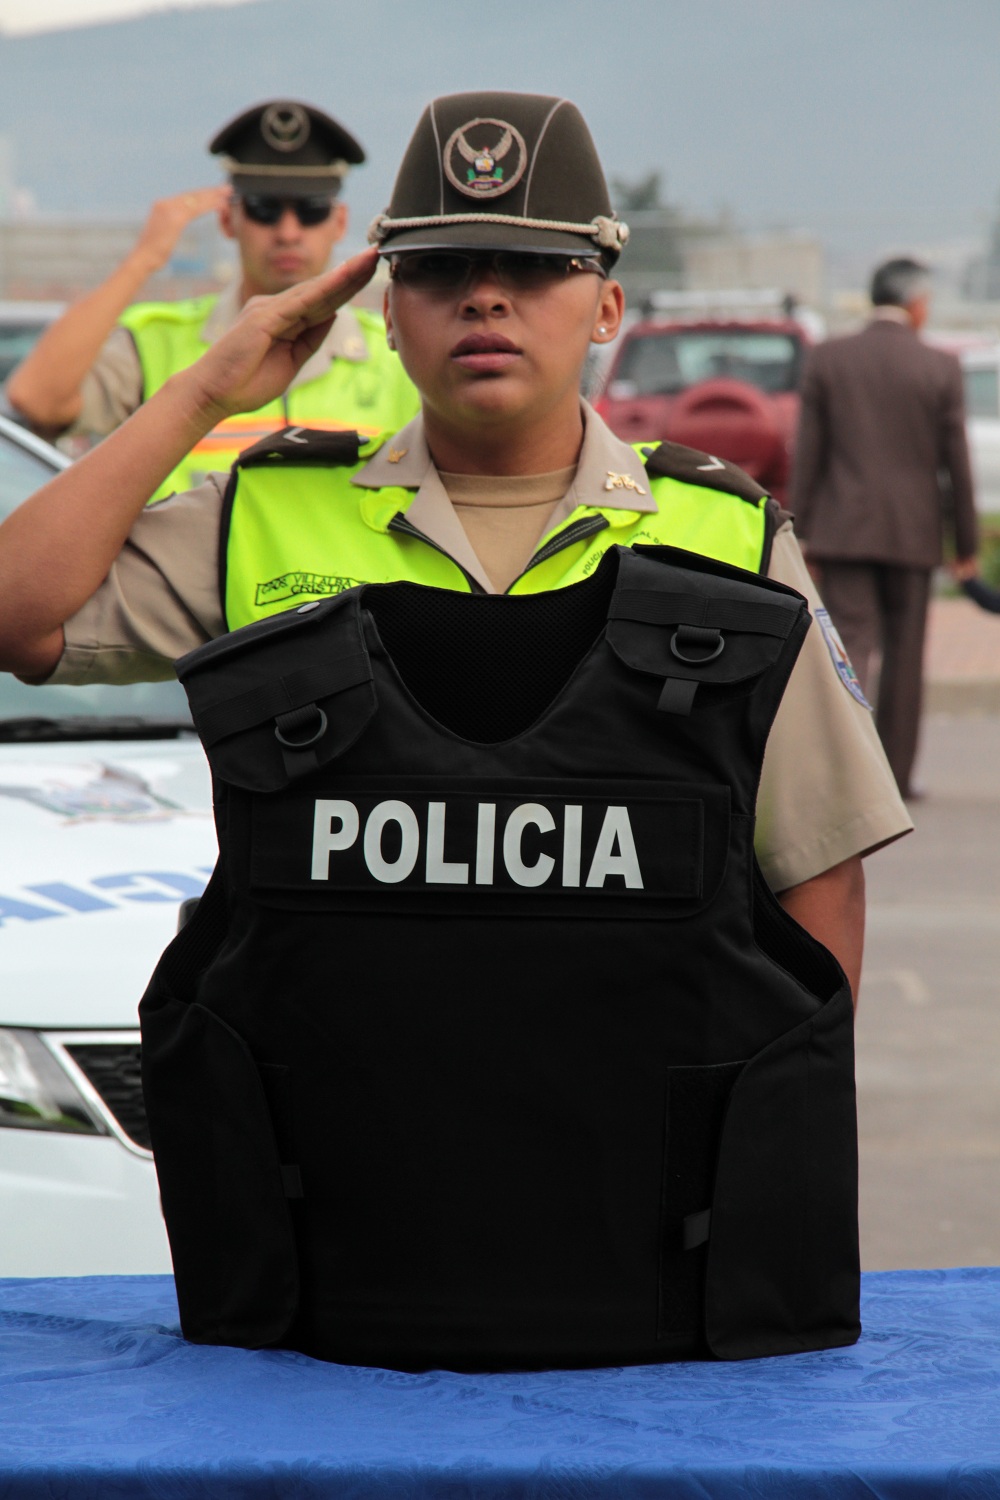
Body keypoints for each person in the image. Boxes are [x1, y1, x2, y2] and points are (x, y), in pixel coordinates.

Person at [0, 90, 911, 1002]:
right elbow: (17, 616)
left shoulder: (726, 530)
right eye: (439, 269)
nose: (484, 294)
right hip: (337, 1126)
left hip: (631, 1124)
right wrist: (201, 396)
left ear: (607, 308)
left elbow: (817, 863)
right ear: (388, 314)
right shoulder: (265, 514)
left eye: (532, 264)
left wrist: (779, 1122)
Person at [4, 99, 418, 498]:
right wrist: (143, 260)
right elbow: (36, 399)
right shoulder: (159, 343)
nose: (288, 232)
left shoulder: (396, 353)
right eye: (264, 209)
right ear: (226, 219)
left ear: (339, 222)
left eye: (310, 210)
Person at [789, 256, 979, 799]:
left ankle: (845, 773)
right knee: (905, 655)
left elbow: (809, 454)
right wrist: (964, 544)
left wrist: (800, 532)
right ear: (916, 303)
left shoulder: (829, 359)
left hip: (843, 530)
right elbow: (955, 465)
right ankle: (894, 780)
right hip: (913, 534)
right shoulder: (938, 365)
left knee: (850, 647)